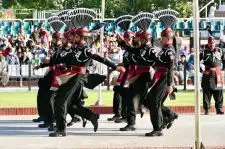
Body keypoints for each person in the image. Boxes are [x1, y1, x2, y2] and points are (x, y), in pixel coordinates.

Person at [49, 27, 125, 137]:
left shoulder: (86, 50)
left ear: (82, 38)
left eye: (76, 36)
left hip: (78, 77)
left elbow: (101, 59)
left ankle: (61, 129)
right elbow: (65, 59)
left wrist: (115, 67)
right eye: (74, 36)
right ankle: (92, 116)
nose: (73, 38)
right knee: (68, 104)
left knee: (61, 101)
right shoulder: (75, 48)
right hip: (70, 75)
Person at [145, 28, 178, 137]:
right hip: (158, 76)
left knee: (154, 102)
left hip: (163, 78)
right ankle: (169, 115)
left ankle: (158, 128)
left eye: (163, 38)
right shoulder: (164, 49)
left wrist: (169, 84)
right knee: (148, 100)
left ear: (168, 38)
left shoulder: (169, 50)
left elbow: (170, 68)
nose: (161, 39)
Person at [200, 36, 225, 115]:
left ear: (215, 43)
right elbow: (197, 62)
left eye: (213, 43)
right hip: (207, 74)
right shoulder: (203, 52)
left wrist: (223, 70)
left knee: (219, 92)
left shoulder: (220, 51)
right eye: (210, 43)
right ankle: (207, 109)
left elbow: (224, 60)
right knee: (207, 92)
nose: (212, 44)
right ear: (208, 43)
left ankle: (219, 109)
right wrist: (202, 71)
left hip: (217, 74)